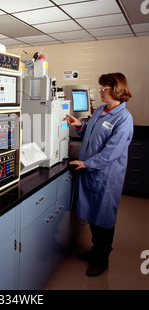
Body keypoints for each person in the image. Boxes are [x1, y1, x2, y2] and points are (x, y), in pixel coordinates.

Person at [65, 72, 133, 277]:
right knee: (94, 217)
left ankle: (102, 259)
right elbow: (92, 134)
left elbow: (112, 152)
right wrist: (80, 126)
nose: (100, 91)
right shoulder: (101, 110)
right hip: (92, 173)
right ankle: (96, 251)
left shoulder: (123, 118)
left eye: (103, 88)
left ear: (116, 90)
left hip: (106, 177)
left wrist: (87, 163)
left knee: (103, 220)